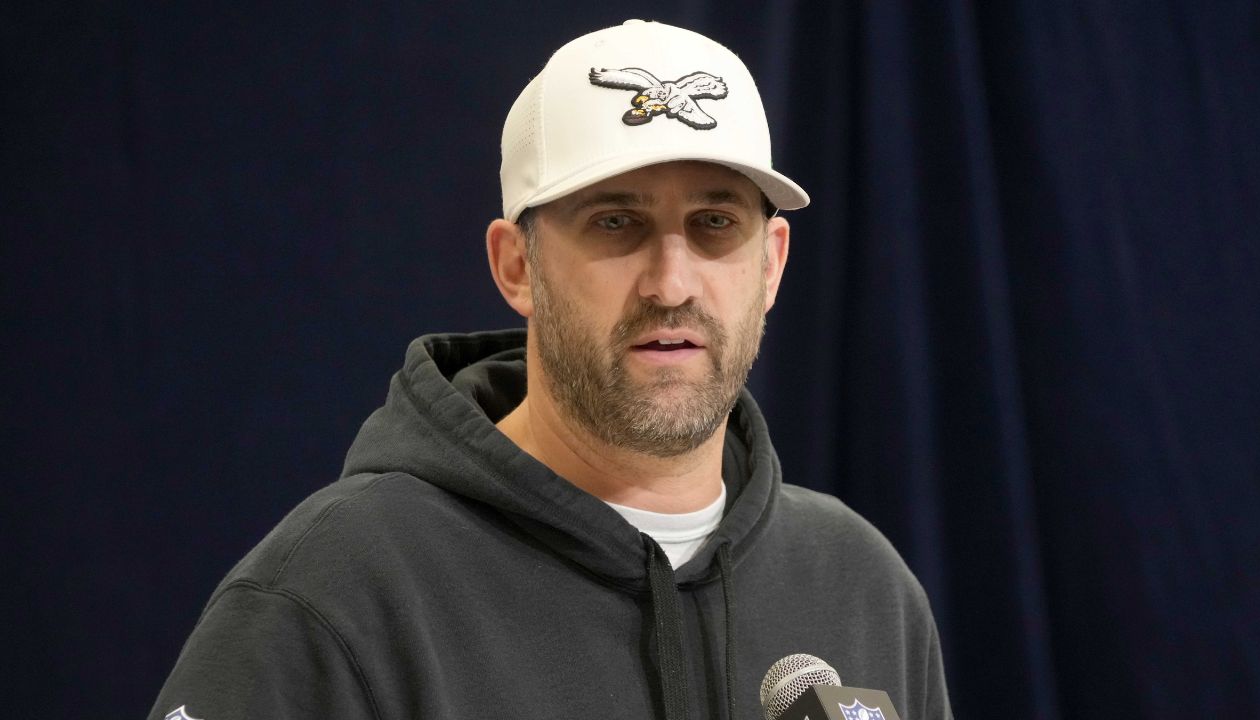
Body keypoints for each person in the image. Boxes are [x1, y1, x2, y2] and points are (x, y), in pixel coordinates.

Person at [150, 20, 951, 720]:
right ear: (517, 266)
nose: (672, 283)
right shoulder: (338, 593)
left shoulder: (863, 587)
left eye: (714, 224)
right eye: (615, 222)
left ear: (771, 263)